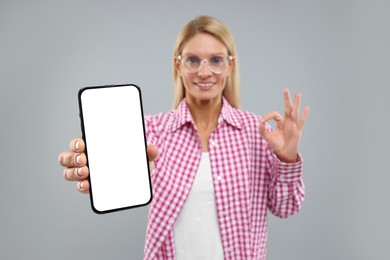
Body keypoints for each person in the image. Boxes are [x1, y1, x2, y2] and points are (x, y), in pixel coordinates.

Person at [58, 15, 309, 260]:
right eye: (192, 60)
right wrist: (93, 164)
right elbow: (114, 166)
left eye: (216, 60)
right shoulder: (152, 132)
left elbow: (285, 208)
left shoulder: (258, 132)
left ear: (229, 66)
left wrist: (287, 158)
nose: (204, 71)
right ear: (178, 65)